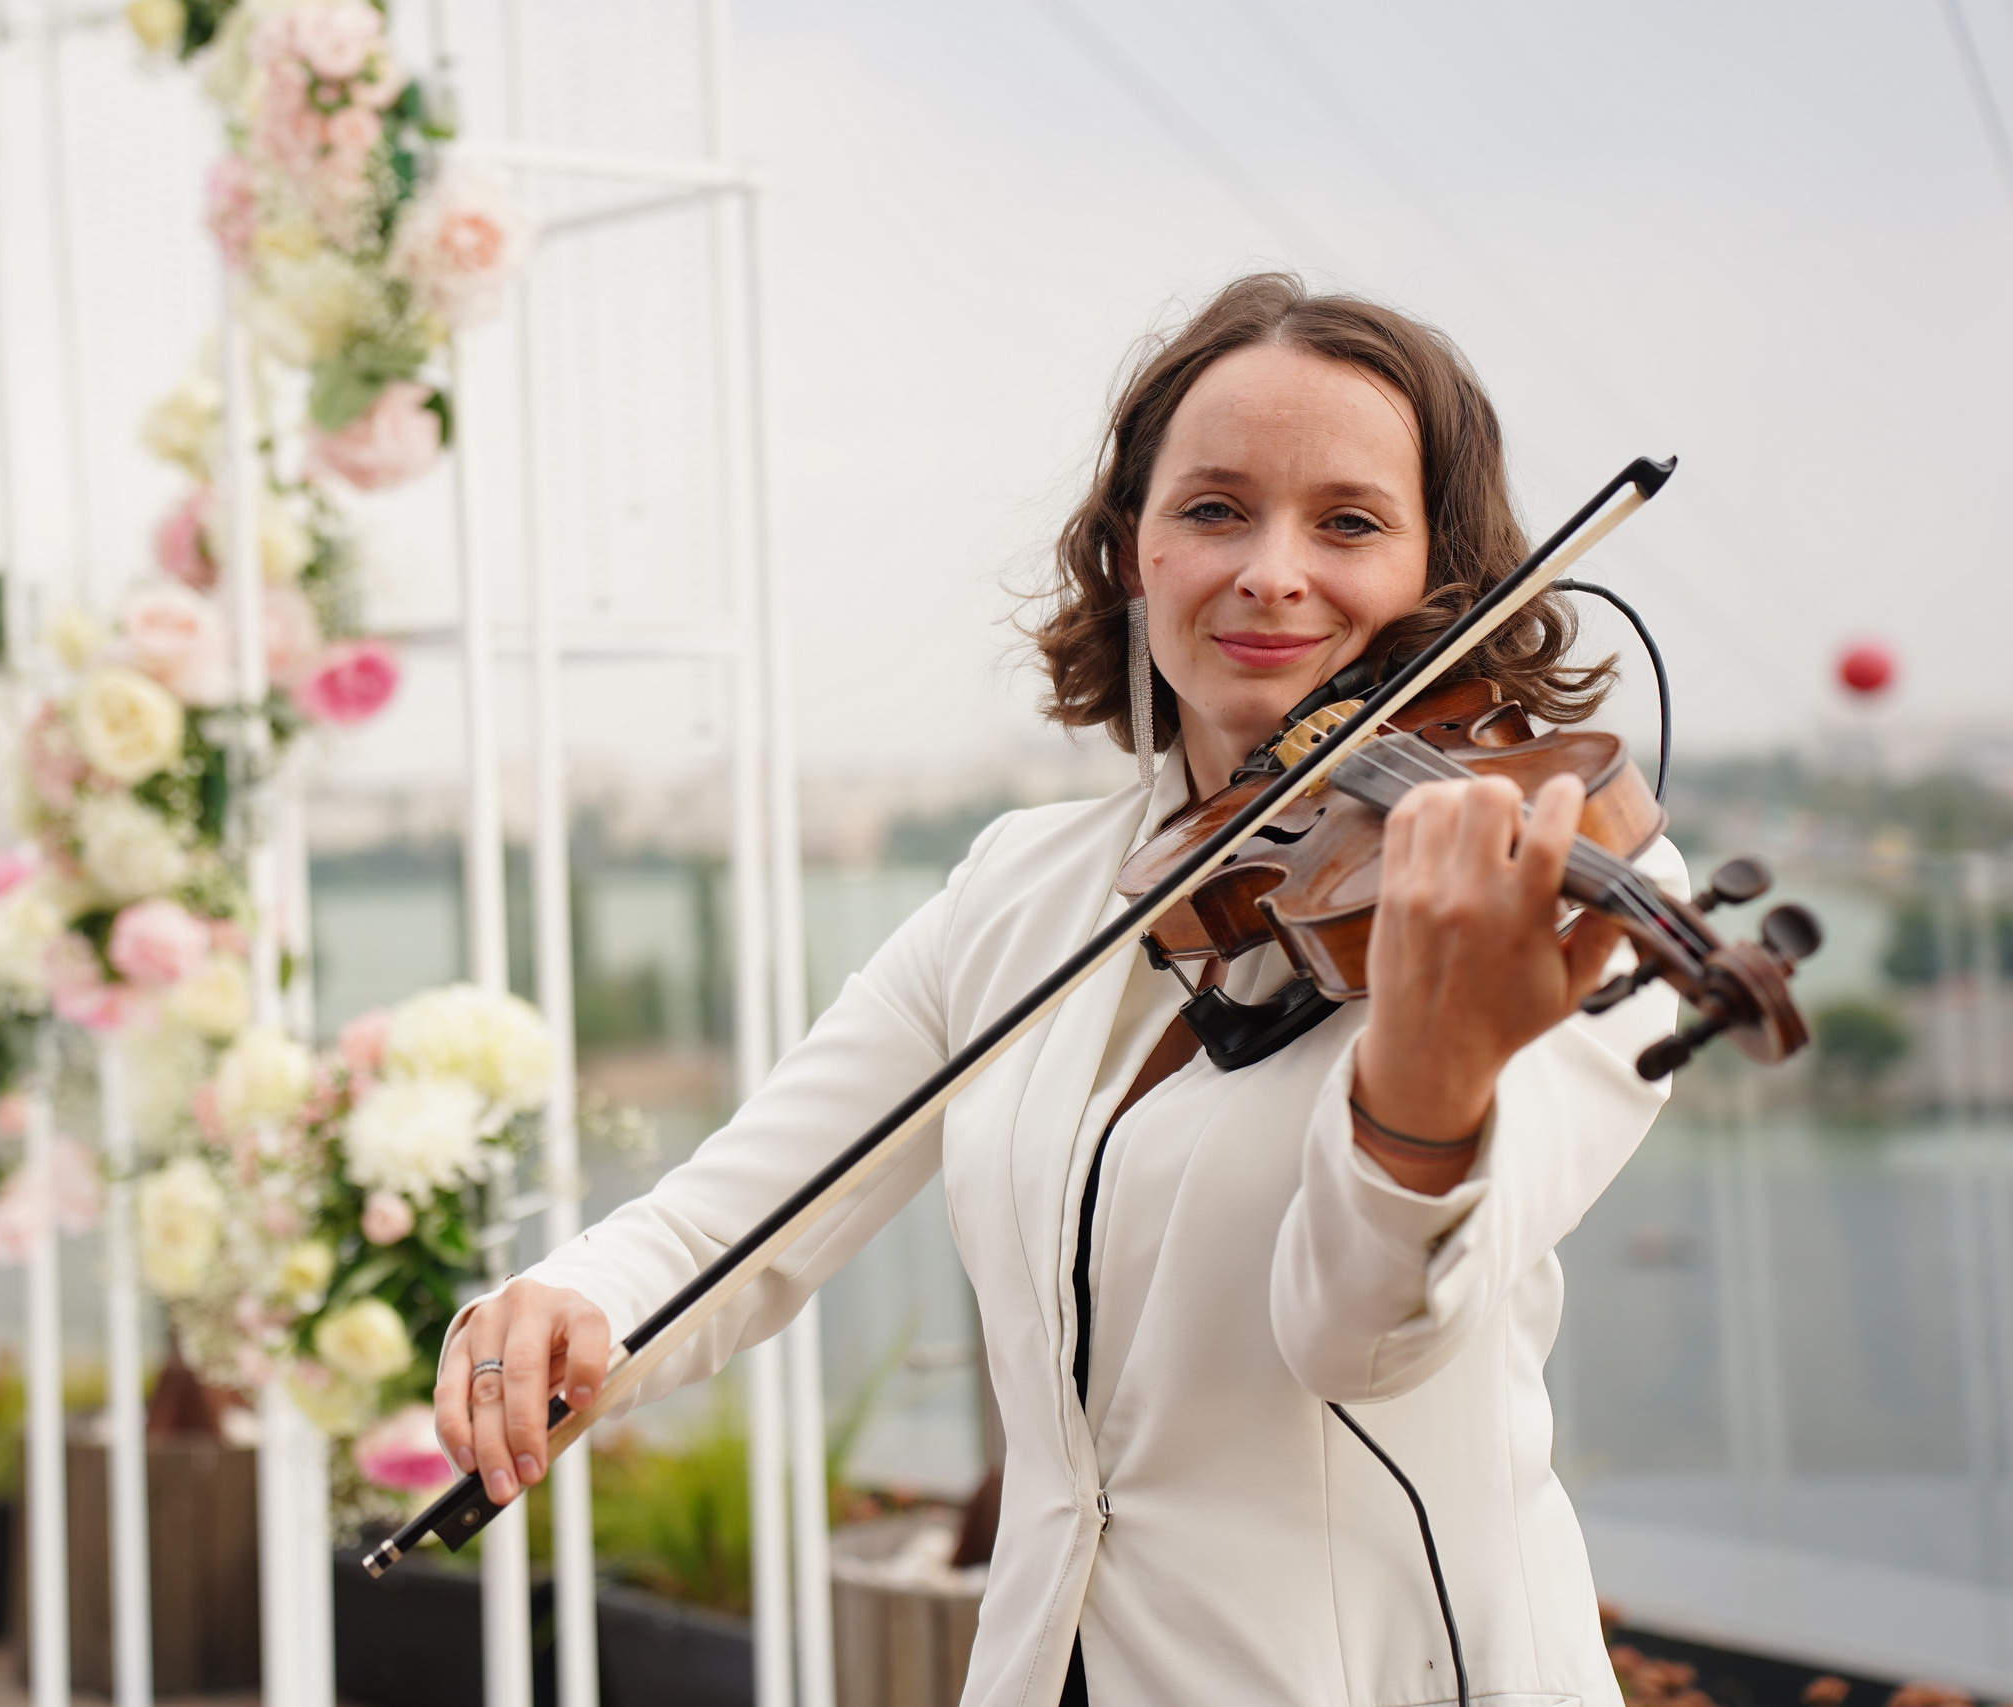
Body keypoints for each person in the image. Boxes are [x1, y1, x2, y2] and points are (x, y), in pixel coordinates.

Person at [433, 272, 1679, 1706]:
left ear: (1443, 582)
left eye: (1349, 522)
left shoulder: (1559, 889)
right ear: (1133, 553)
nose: (1272, 571)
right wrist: (571, 1300)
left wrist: (1430, 1069)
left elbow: (1365, 1337)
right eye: (1214, 509)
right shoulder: (1025, 887)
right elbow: (746, 1209)